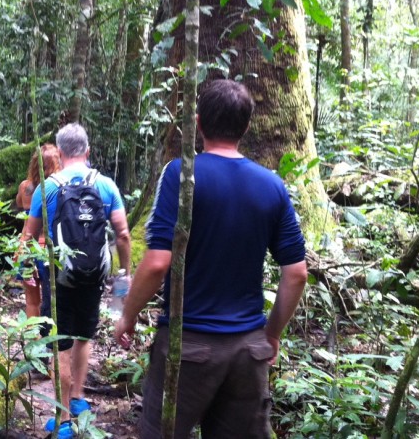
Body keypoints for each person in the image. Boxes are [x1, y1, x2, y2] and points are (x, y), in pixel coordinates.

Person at [114, 79, 308, 439]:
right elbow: (296, 273)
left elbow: (157, 262)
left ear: (198, 123)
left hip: (188, 346)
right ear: (246, 126)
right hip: (248, 351)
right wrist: (272, 335)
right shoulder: (272, 185)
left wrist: (128, 315)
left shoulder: (181, 174)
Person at [24, 123, 132, 439]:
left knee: (60, 340)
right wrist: (124, 272)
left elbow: (30, 235)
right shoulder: (107, 186)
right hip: (93, 273)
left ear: (59, 151)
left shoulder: (47, 187)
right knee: (85, 334)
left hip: (57, 274)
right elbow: (123, 234)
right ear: (87, 151)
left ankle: (62, 419)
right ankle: (78, 397)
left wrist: (25, 266)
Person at [15, 143, 61, 319]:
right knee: (52, 299)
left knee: (31, 301)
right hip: (48, 249)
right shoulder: (58, 189)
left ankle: (34, 340)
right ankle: (50, 339)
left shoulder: (25, 187)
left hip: (26, 247)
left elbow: (19, 203)